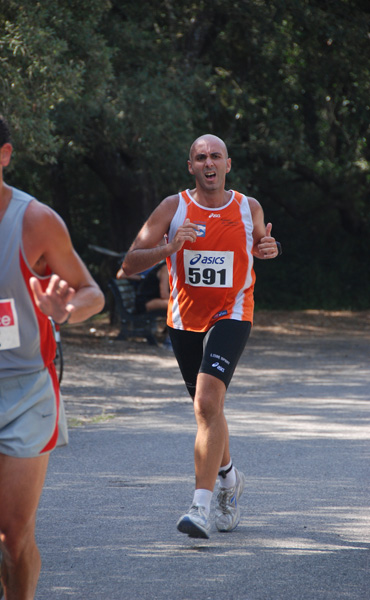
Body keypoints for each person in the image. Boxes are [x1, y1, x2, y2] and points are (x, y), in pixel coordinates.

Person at [0, 104, 104, 599]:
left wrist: (63, 310)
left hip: (26, 392)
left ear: (3, 155)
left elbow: (92, 292)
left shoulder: (36, 221)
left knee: (15, 533)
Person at [121, 133, 281, 539]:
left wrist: (268, 248)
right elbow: (129, 263)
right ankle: (229, 478)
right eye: (200, 157)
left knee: (208, 401)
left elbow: (263, 242)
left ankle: (201, 507)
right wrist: (169, 247)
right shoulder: (173, 207)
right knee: (208, 409)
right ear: (191, 166)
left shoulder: (249, 207)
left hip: (233, 313)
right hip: (183, 319)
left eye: (216, 156)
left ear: (228, 164)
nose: (209, 163)